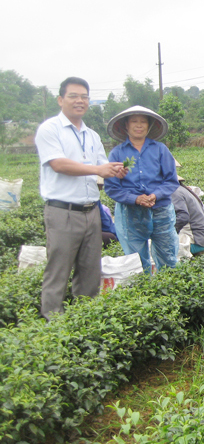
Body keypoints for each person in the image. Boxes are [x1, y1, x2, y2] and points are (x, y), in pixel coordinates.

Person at [34, 76, 127, 320]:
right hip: (62, 212)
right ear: (61, 99)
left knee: (90, 271)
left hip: (91, 211)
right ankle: (53, 323)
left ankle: (84, 321)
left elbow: (102, 164)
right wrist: (98, 170)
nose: (80, 101)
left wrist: (115, 169)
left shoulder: (92, 135)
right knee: (59, 270)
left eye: (84, 97)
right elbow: (58, 164)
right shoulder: (49, 129)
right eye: (73, 96)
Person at [104, 106, 180, 274]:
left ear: (149, 126)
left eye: (143, 122)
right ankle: (143, 294)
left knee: (168, 257)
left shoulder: (160, 149)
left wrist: (155, 195)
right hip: (131, 213)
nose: (139, 125)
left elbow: (171, 181)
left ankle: (168, 291)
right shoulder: (117, 153)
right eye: (134, 121)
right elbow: (112, 188)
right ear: (126, 126)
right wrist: (136, 199)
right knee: (136, 261)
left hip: (160, 210)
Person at [171, 181, 204, 255]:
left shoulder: (174, 192)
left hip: (198, 241)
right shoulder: (181, 189)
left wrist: (167, 235)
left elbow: (182, 218)